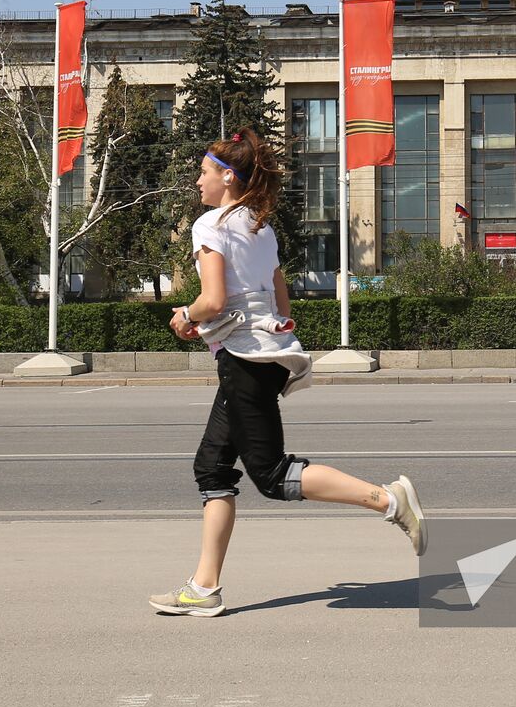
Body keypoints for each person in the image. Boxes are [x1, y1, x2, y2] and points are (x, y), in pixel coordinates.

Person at [148, 127, 427, 618]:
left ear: (227, 179)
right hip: (268, 353)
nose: (197, 181)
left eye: (204, 172)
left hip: (245, 359)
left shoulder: (210, 225)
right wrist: (254, 326)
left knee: (272, 475)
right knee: (212, 467)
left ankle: (388, 499)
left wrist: (187, 318)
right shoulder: (259, 226)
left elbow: (213, 300)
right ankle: (204, 588)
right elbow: (279, 294)